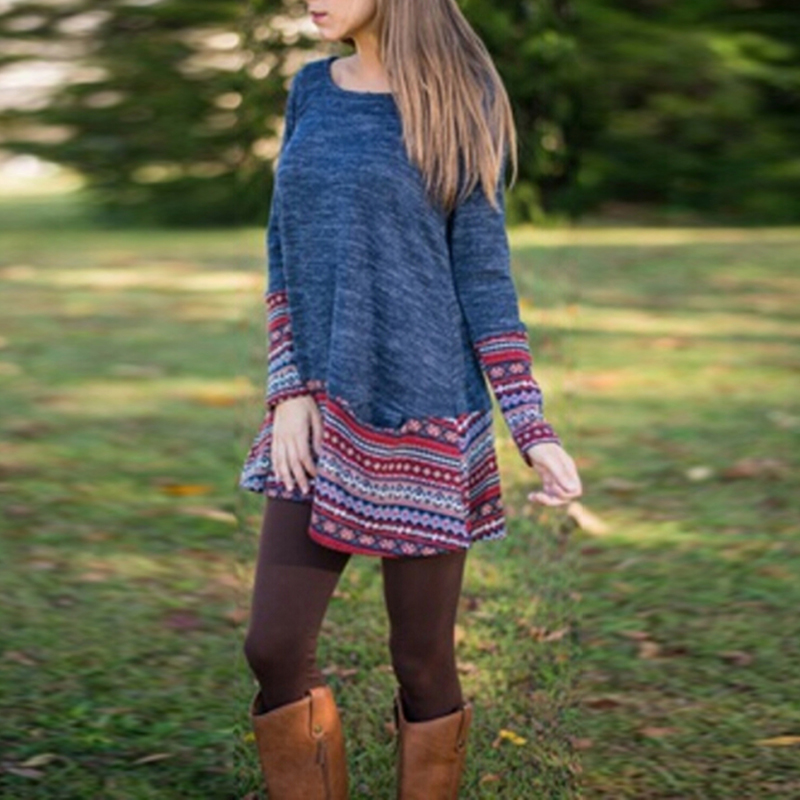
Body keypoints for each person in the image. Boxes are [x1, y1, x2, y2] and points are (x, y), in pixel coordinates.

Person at [239, 1, 583, 797]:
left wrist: (532, 428)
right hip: (319, 411)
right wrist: (288, 391)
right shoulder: (310, 89)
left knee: (422, 661)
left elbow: (485, 280)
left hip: (428, 418)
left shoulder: (463, 98)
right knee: (272, 647)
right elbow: (284, 250)